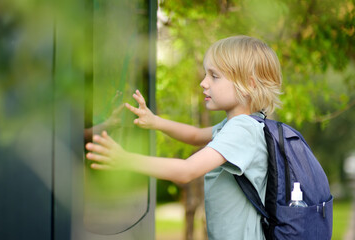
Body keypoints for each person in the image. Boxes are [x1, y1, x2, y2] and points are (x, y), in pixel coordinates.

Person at [85, 35, 282, 240]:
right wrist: (156, 122)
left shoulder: (243, 130)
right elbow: (196, 135)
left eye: (214, 76)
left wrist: (126, 160)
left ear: (248, 85)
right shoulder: (240, 125)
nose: (203, 82)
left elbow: (187, 171)